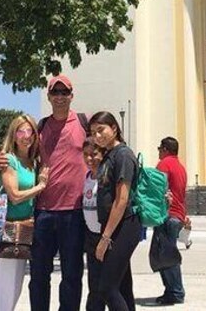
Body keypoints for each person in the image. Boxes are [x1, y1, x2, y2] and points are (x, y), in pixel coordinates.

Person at [0, 74, 87, 311]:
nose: (59, 97)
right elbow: (21, 153)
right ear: (48, 96)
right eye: (55, 93)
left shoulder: (84, 124)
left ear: (71, 96)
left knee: (72, 275)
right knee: (38, 276)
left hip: (74, 212)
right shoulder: (41, 128)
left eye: (64, 92)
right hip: (43, 212)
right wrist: (1, 158)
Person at [0, 115, 49, 311]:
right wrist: (41, 186)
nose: (25, 136)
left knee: (14, 286)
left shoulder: (31, 162)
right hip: (6, 229)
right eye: (21, 132)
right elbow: (14, 195)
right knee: (4, 287)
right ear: (13, 136)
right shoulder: (8, 159)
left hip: (23, 231)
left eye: (30, 131)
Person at [88, 111, 140, 311]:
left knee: (107, 287)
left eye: (101, 130)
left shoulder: (123, 154)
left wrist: (105, 238)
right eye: (93, 132)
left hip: (125, 225)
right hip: (113, 227)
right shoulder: (108, 155)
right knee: (123, 287)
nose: (97, 136)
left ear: (114, 128)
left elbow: (122, 199)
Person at [154, 136, 187, 306]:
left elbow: (157, 187)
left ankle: (175, 292)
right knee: (166, 254)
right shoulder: (180, 166)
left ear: (165, 149)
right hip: (178, 215)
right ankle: (171, 290)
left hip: (167, 215)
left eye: (160, 148)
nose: (158, 151)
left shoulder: (164, 164)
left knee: (166, 256)